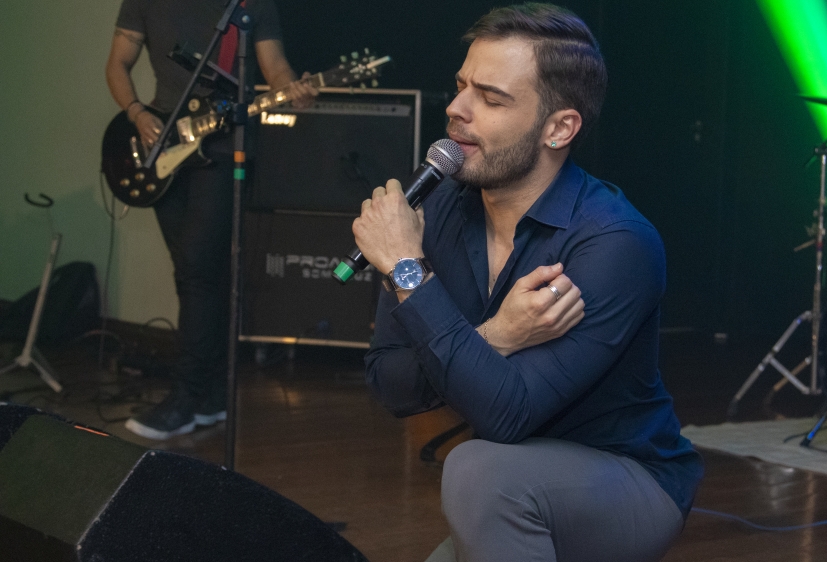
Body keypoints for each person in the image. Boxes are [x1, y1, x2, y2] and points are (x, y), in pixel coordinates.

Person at [354, 4, 703, 561]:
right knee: (483, 476)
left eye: (491, 99)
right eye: (461, 86)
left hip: (626, 478)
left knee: (475, 467)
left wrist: (405, 268)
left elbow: (507, 413)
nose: (456, 109)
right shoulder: (437, 211)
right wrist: (494, 336)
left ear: (559, 128)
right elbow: (389, 385)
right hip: (507, 481)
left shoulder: (615, 242)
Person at [105, 0, 316, 440]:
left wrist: (292, 88)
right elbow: (118, 64)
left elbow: (275, 68)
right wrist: (137, 113)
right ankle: (212, 394)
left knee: (199, 269)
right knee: (195, 274)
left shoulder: (250, 4)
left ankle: (185, 397)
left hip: (220, 150)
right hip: (163, 147)